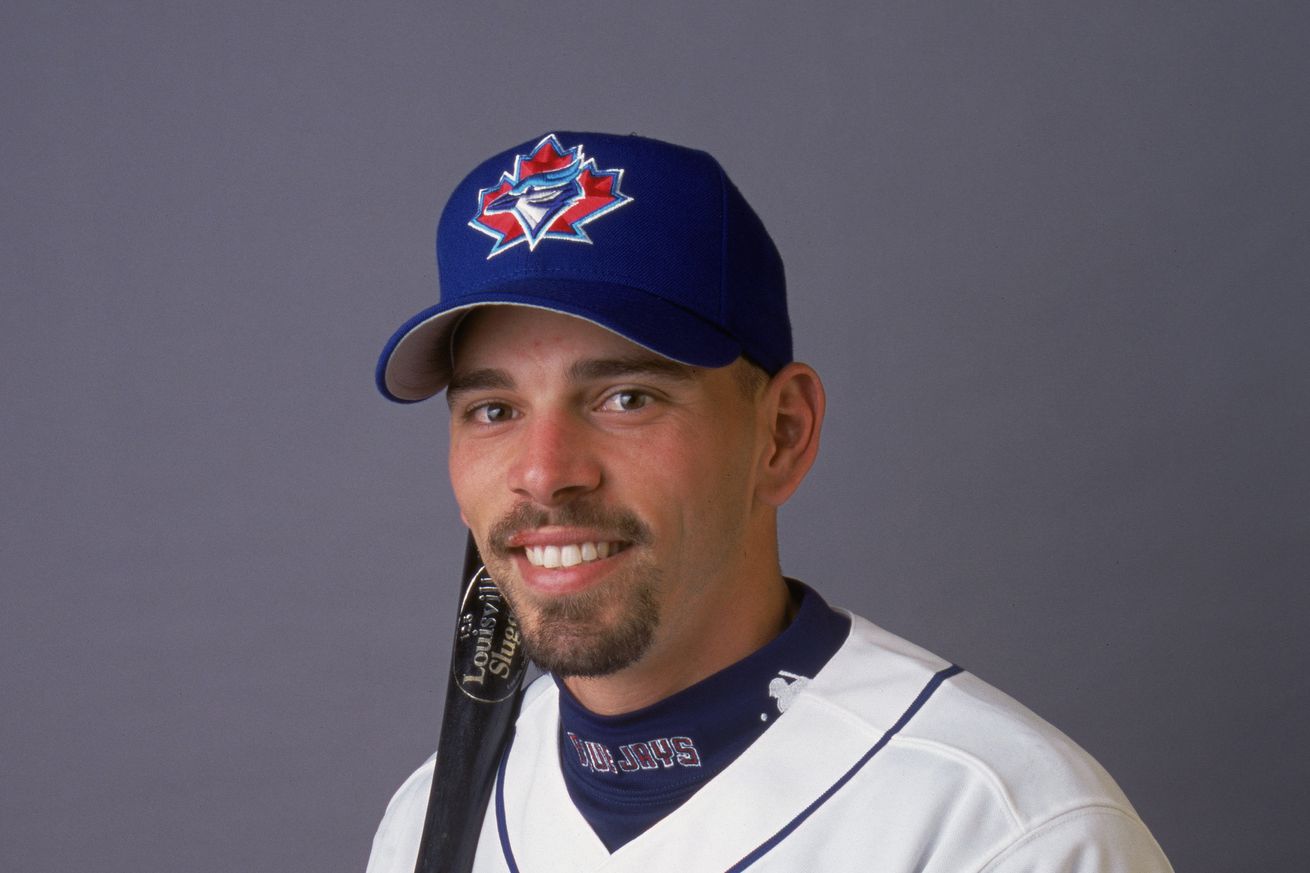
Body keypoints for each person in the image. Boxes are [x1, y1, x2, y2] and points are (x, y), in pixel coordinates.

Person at [367, 132, 1174, 872]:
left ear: (781, 433)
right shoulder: (429, 823)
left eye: (627, 397)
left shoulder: (1005, 833)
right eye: (494, 411)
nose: (544, 474)